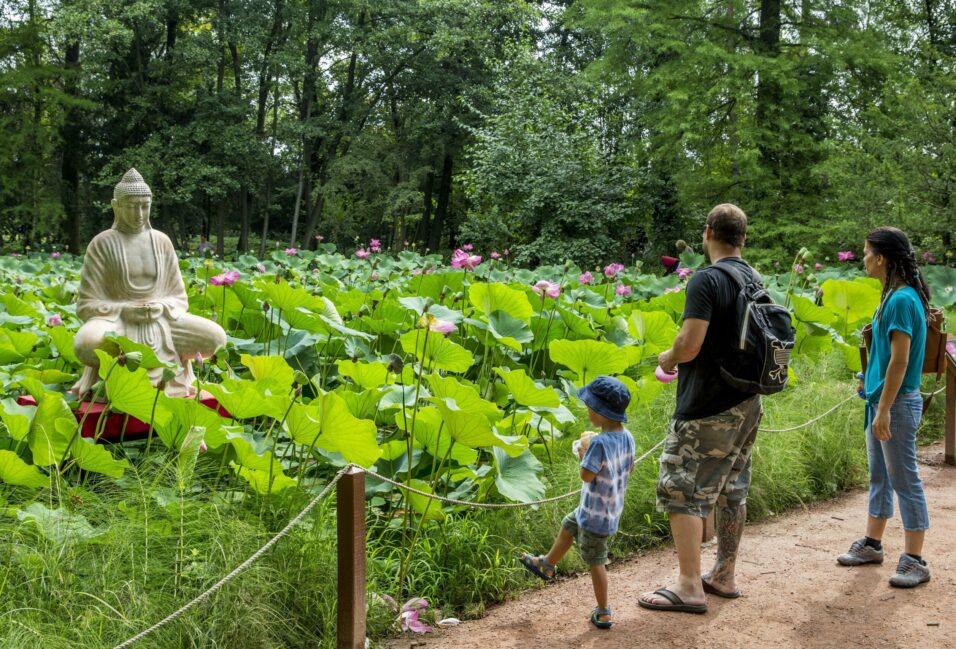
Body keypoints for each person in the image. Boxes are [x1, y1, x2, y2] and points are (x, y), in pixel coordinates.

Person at [638, 203, 762, 615]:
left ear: (708, 232)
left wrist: (668, 358)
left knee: (682, 490)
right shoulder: (755, 278)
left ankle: (689, 586)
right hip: (748, 401)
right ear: (742, 237)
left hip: (707, 403)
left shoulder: (706, 280)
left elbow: (690, 344)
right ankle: (723, 575)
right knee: (732, 489)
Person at [71, 168, 226, 399]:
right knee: (86, 343)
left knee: (216, 338)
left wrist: (161, 307)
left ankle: (167, 378)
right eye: (132, 207)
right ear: (116, 206)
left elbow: (178, 297)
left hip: (162, 322)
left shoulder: (161, 241)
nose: (139, 214)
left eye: (144, 206)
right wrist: (124, 310)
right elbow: (86, 304)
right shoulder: (102, 244)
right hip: (116, 325)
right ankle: (117, 382)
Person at [836, 227, 931, 588]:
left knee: (905, 480)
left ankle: (915, 560)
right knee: (879, 477)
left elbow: (900, 362)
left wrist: (885, 409)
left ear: (882, 258)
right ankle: (873, 544)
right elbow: (888, 353)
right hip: (881, 400)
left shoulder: (901, 300)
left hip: (896, 404)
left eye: (866, 253)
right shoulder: (891, 298)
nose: (863, 259)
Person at [518, 375, 635, 629]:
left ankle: (604, 611)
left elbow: (586, 475)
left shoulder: (599, 443)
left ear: (601, 412)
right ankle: (547, 564)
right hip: (605, 508)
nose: (587, 409)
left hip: (595, 514)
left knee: (596, 560)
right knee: (569, 524)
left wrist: (583, 452)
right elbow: (630, 467)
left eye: (590, 406)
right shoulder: (627, 437)